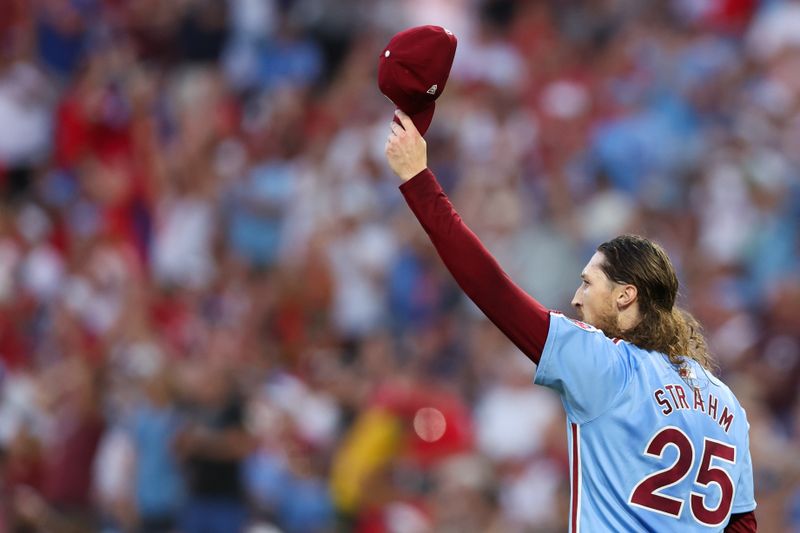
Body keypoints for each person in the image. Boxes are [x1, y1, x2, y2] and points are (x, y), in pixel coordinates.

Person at [384, 110, 757, 532]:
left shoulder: (607, 364)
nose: (576, 298)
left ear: (625, 294)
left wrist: (418, 180)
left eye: (587, 283)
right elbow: (742, 523)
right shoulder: (726, 402)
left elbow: (492, 290)